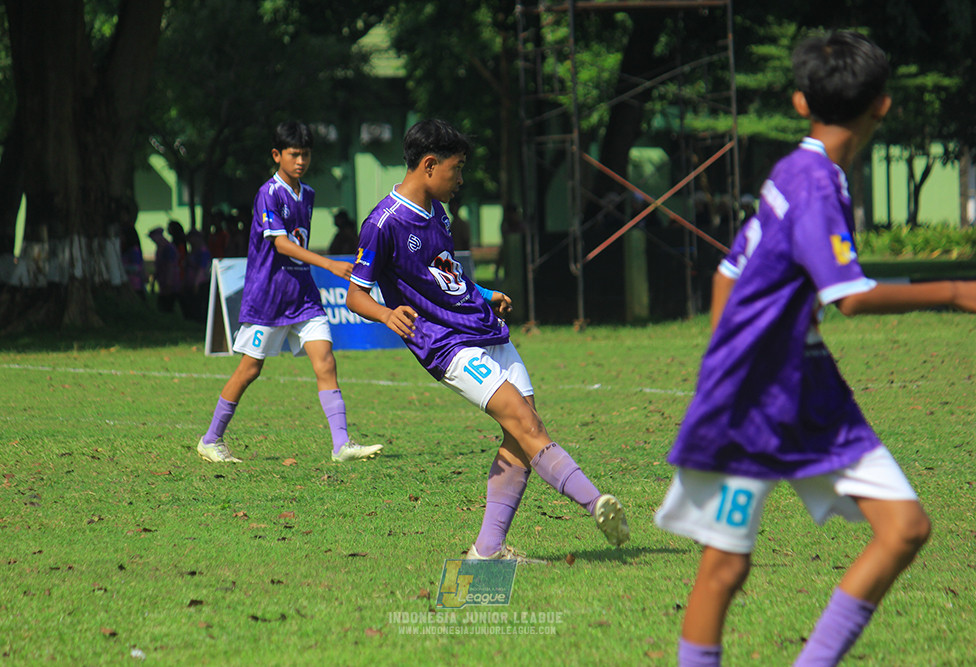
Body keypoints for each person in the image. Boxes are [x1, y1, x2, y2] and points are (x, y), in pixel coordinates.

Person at [653, 31, 976, 667]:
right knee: (726, 565)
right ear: (883, 106)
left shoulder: (798, 168)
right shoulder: (814, 183)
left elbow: (729, 270)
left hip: (809, 392)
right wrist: (959, 292)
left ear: (801, 102)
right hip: (750, 401)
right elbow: (848, 294)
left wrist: (737, 344)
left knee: (905, 528)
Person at [346, 119, 629, 560]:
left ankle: (487, 549)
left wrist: (481, 294)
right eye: (456, 170)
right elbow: (354, 295)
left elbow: (444, 276)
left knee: (521, 435)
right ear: (428, 165)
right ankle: (596, 503)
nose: (460, 180)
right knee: (528, 425)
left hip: (483, 327)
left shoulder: (437, 210)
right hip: (446, 345)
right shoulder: (383, 223)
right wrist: (386, 313)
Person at [197, 121, 383, 464]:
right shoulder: (269, 193)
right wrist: (328, 265)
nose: (301, 161)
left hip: (304, 297)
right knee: (250, 370)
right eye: (294, 154)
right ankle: (211, 439)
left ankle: (341, 444)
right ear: (277, 155)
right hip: (268, 298)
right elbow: (282, 244)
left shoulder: (308, 194)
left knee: (326, 361)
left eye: (306, 154)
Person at [148, 226, 180, 313]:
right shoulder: (160, 248)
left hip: (169, 283)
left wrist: (168, 282)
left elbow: (170, 267)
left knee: (167, 305)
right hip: (163, 282)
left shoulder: (168, 248)